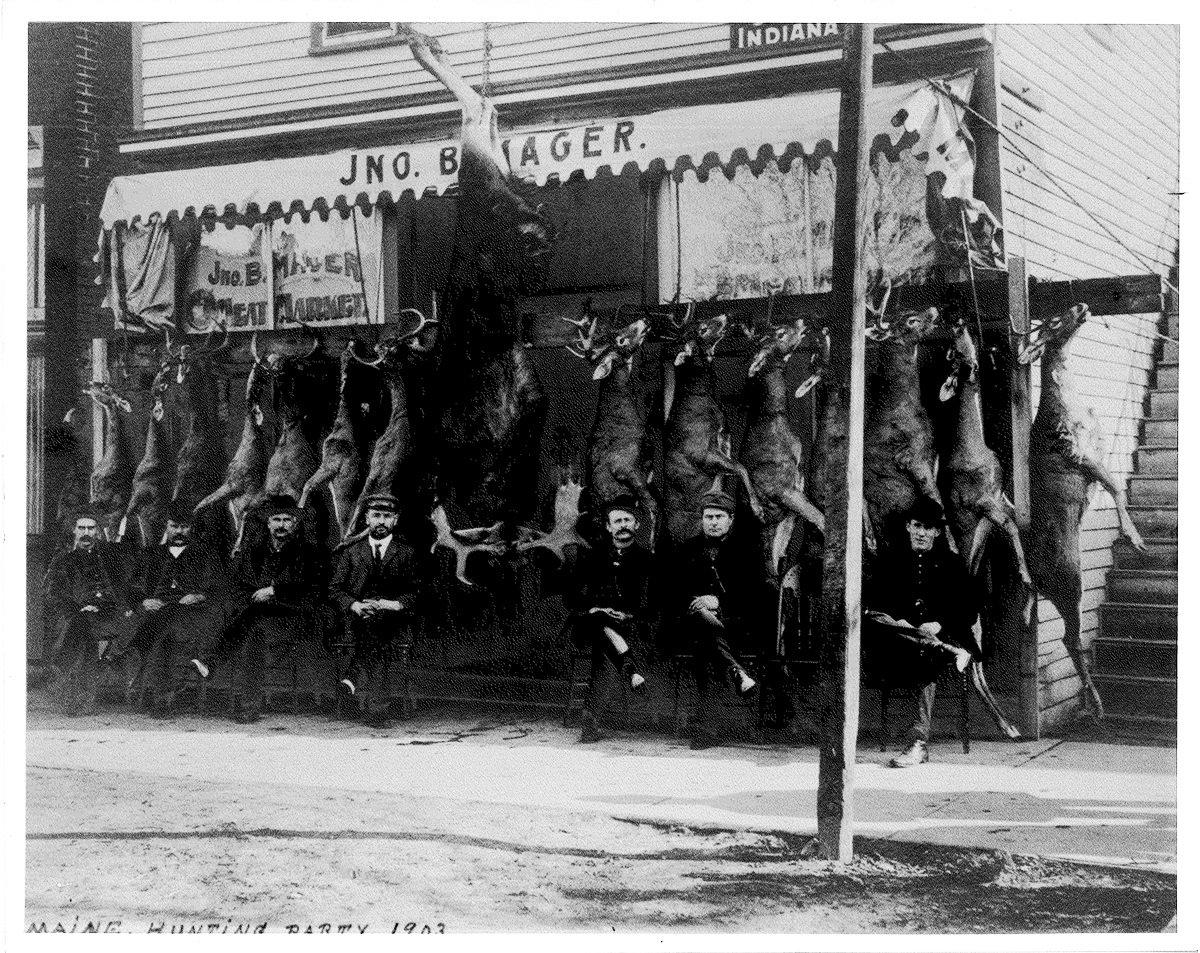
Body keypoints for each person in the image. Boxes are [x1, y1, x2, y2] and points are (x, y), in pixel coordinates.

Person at [191, 495, 333, 723]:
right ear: (268, 523)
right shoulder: (254, 552)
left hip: (294, 620)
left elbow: (315, 593)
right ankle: (249, 705)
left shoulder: (309, 553)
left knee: (251, 623)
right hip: (257, 620)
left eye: (287, 519)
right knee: (253, 632)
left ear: (295, 523)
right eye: (276, 519)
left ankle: (211, 661)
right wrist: (256, 597)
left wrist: (276, 592)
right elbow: (240, 587)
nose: (281, 525)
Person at [863, 498, 977, 768]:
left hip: (938, 637)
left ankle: (917, 742)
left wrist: (940, 624)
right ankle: (934, 645)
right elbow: (875, 600)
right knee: (873, 617)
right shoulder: (890, 561)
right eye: (917, 526)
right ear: (908, 527)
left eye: (928, 528)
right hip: (895, 640)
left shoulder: (952, 564)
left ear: (937, 532)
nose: (922, 533)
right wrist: (902, 621)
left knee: (923, 653)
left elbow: (969, 608)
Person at [674, 489, 768, 750]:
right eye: (708, 516)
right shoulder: (687, 549)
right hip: (692, 623)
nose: (713, 522)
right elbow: (675, 591)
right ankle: (736, 671)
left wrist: (719, 604)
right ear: (701, 519)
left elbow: (756, 596)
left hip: (736, 624)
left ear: (731, 519)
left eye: (718, 516)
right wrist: (699, 605)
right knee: (704, 630)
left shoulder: (747, 551)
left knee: (709, 645)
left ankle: (708, 729)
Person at [565, 495, 656, 744]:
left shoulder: (647, 561)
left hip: (631, 628)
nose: (623, 525)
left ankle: (590, 718)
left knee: (604, 657)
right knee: (599, 620)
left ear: (637, 525)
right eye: (617, 521)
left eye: (628, 520)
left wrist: (628, 614)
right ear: (608, 527)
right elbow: (574, 597)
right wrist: (595, 608)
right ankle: (629, 667)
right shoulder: (592, 558)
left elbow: (654, 605)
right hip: (591, 626)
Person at [330, 493, 421, 728]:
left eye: (387, 516)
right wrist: (355, 605)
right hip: (357, 618)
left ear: (395, 521)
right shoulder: (351, 552)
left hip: (393, 618)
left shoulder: (407, 553)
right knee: (372, 629)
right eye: (376, 515)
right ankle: (377, 710)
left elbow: (416, 593)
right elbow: (335, 589)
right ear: (366, 519)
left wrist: (391, 604)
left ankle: (351, 678)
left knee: (377, 627)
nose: (381, 521)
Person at [130, 502, 229, 717]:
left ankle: (162, 698)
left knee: (165, 633)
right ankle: (166, 694)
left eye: (184, 527)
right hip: (157, 610)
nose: (179, 531)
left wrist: (199, 595)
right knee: (164, 630)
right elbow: (134, 587)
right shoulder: (151, 554)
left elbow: (218, 587)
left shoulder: (205, 554)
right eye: (174, 526)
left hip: (191, 612)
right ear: (166, 527)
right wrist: (144, 601)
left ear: (191, 528)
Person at [42, 509, 139, 715]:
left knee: (128, 624)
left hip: (110, 614)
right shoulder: (63, 561)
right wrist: (77, 608)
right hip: (79, 615)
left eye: (91, 528)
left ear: (97, 532)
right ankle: (77, 695)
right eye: (81, 528)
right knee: (82, 629)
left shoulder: (111, 558)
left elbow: (125, 587)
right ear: (74, 531)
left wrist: (124, 606)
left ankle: (89, 683)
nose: (86, 532)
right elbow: (52, 594)